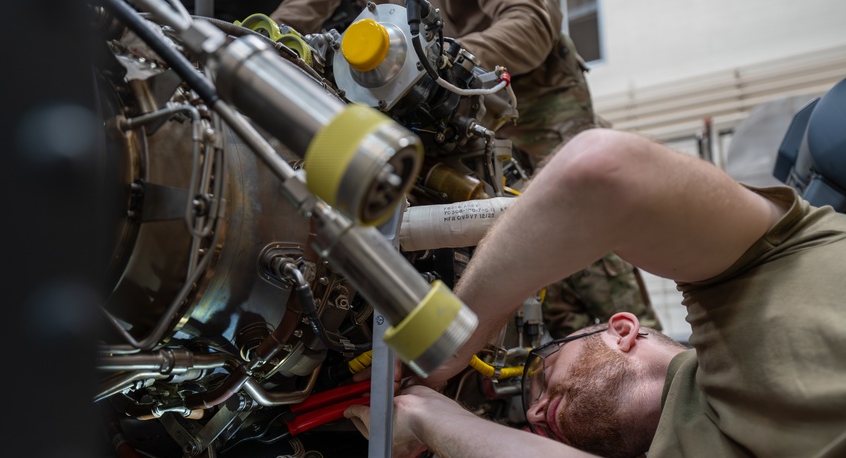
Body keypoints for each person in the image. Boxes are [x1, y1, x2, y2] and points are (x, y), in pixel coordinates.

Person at [345, 127, 846, 458]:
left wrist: (449, 347)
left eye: (543, 374)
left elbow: (601, 172)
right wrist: (429, 415)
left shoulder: (751, 282)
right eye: (536, 423)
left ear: (622, 330)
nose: (532, 414)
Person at [266, 0, 661, 338]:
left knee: (573, 206)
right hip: (435, 97)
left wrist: (439, 61)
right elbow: (300, 12)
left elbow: (531, 20)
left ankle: (641, 342)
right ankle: (563, 350)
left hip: (537, 88)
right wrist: (260, 42)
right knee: (507, 221)